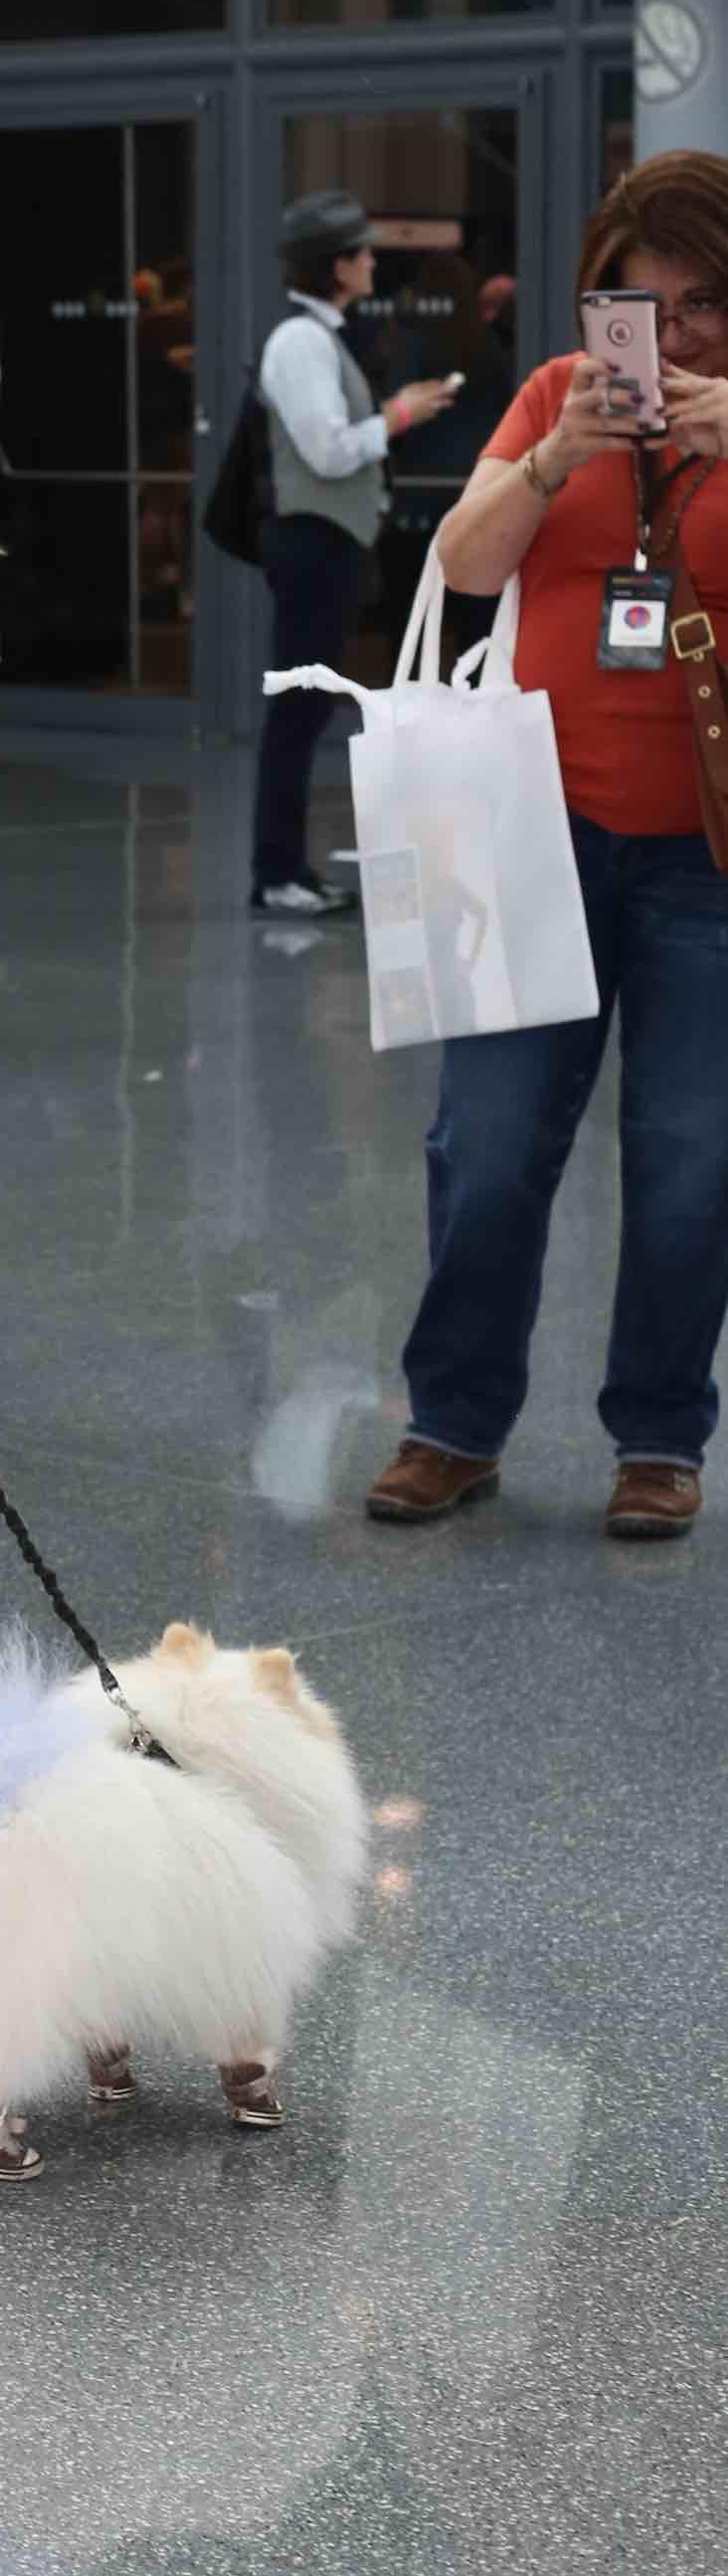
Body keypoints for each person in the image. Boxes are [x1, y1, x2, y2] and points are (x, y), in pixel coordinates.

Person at [364, 150, 728, 1547]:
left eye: (701, 307)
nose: (671, 337)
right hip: (534, 826)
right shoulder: (545, 401)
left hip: (708, 846)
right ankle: (452, 1423)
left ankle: (657, 1436)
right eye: (644, 307)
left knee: (692, 1149)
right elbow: (461, 561)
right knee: (491, 1140)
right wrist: (562, 449)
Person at [251, 188, 457, 915]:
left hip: (328, 541)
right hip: (312, 541)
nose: (373, 261)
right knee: (298, 710)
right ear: (337, 265)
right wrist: (399, 415)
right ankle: (277, 874)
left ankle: (284, 871)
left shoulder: (321, 336)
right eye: (362, 252)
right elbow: (329, 451)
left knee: (305, 709)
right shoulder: (300, 342)